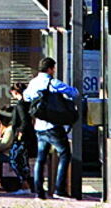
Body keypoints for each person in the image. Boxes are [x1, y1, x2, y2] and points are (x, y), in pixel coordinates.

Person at [23, 57, 79, 199]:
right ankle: (59, 189)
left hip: (39, 127)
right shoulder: (52, 82)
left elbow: (26, 97)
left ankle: (39, 191)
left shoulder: (33, 82)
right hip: (53, 126)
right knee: (65, 154)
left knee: (41, 159)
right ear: (50, 69)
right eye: (53, 68)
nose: (54, 71)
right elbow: (73, 92)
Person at [4, 82, 36, 195]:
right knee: (23, 160)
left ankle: (25, 184)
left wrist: (20, 132)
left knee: (16, 159)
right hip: (28, 137)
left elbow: (24, 121)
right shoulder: (28, 104)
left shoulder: (20, 105)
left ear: (15, 92)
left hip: (22, 137)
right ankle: (26, 185)